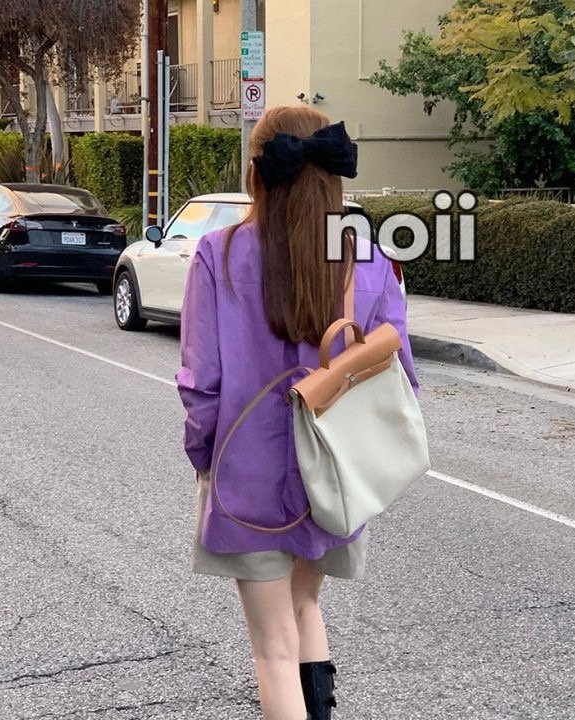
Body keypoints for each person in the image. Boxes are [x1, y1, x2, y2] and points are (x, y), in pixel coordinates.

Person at [176, 105, 418, 720]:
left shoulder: (218, 254)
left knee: (273, 649)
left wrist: (204, 457)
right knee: (306, 607)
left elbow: (202, 384)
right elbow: (401, 375)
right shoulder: (368, 259)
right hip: (332, 477)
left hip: (247, 479)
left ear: (257, 172)